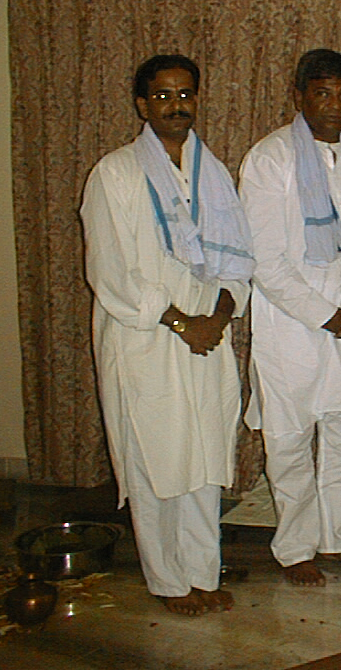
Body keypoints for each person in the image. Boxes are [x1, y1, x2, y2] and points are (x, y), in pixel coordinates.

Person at [80, 54, 254, 616]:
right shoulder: (116, 173)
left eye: (184, 94)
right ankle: (167, 580)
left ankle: (203, 572)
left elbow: (239, 261)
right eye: (161, 95)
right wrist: (182, 323)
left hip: (207, 339)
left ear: (197, 99)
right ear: (141, 104)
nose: (174, 105)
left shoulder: (217, 175)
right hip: (147, 339)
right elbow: (110, 271)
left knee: (204, 457)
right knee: (155, 457)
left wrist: (217, 319)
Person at [239, 49, 341, 586]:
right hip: (293, 330)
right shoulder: (271, 158)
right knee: (288, 444)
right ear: (300, 96)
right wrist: (323, 314)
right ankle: (295, 548)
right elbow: (264, 259)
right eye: (323, 93)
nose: (336, 105)